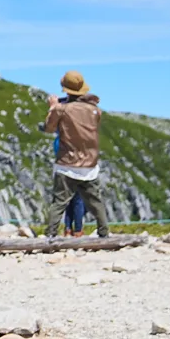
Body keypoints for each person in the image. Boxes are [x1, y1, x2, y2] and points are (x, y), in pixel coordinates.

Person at [42, 71, 109, 238]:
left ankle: (50, 235)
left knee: (59, 203)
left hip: (67, 163)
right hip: (89, 164)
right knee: (96, 202)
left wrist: (53, 107)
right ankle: (104, 233)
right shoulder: (95, 110)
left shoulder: (61, 109)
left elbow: (49, 128)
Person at [55, 130, 86, 236]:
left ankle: (68, 229)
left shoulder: (58, 140)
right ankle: (78, 230)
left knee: (68, 202)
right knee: (78, 201)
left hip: (63, 172)